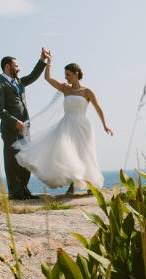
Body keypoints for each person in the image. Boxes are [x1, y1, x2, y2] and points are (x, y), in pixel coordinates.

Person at [13, 52, 113, 195]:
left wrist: (105, 125)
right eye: (65, 75)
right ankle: (72, 186)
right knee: (69, 154)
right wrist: (49, 62)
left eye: (68, 74)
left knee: (85, 153)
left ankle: (91, 185)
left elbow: (98, 109)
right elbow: (47, 78)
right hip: (66, 125)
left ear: (76, 73)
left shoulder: (87, 91)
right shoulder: (65, 88)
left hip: (83, 126)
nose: (66, 77)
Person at [0, 49, 49, 200]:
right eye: (16, 65)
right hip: (10, 129)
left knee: (26, 159)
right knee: (12, 161)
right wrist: (14, 121)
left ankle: (24, 190)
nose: (18, 68)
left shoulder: (19, 82)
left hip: (25, 129)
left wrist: (42, 61)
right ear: (7, 67)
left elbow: (32, 76)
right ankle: (15, 193)